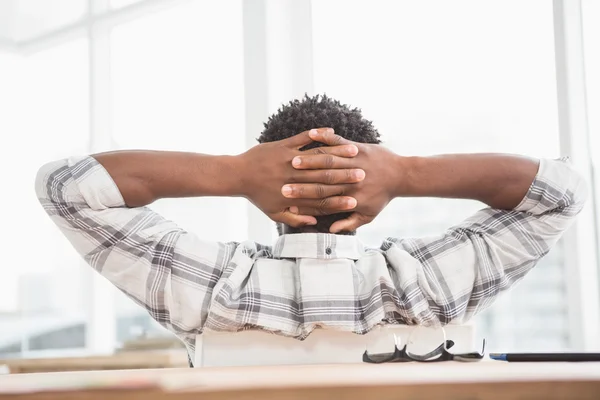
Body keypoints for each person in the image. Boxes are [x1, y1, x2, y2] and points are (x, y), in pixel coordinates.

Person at [36, 94, 587, 362]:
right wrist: (407, 174)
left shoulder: (209, 289)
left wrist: (232, 173)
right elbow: (561, 193)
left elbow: (64, 186)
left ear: (269, 195)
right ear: (369, 186)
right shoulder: (425, 286)